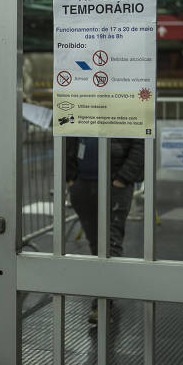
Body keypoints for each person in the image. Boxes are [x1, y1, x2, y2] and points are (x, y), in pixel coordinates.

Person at [66, 136, 144, 324]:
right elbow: (67, 138)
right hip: (83, 184)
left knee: (110, 244)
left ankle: (103, 303)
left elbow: (140, 144)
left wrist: (123, 178)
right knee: (95, 245)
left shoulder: (128, 107)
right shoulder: (81, 107)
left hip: (115, 185)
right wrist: (71, 177)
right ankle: (104, 295)